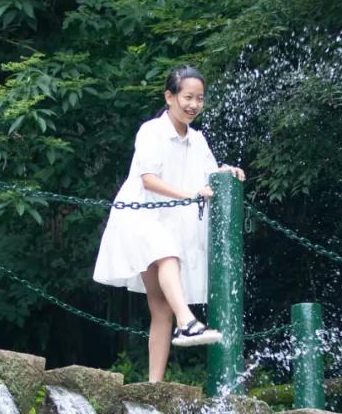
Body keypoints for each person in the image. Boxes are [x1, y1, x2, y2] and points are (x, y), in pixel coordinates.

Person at [93, 66, 245, 382]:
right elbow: (148, 179)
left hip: (165, 222)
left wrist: (227, 172)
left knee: (160, 305)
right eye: (187, 97)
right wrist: (190, 195)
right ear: (170, 97)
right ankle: (187, 321)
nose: (193, 105)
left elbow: (209, 176)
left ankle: (153, 385)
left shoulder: (198, 140)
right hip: (137, 216)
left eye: (199, 99)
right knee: (168, 254)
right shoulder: (151, 131)